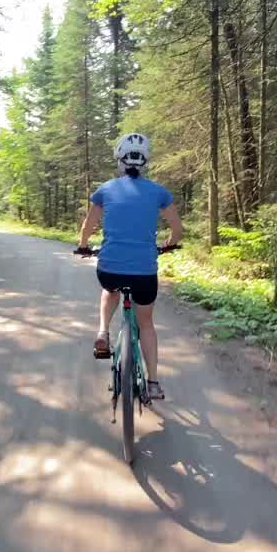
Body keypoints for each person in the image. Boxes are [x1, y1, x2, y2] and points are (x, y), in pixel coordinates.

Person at [75, 132, 183, 400]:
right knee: (146, 323)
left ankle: (102, 332)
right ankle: (154, 382)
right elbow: (177, 230)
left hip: (110, 266)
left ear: (119, 159)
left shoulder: (105, 190)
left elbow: (88, 226)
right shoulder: (160, 192)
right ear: (146, 161)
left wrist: (84, 245)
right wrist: (168, 244)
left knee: (110, 290)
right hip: (145, 272)